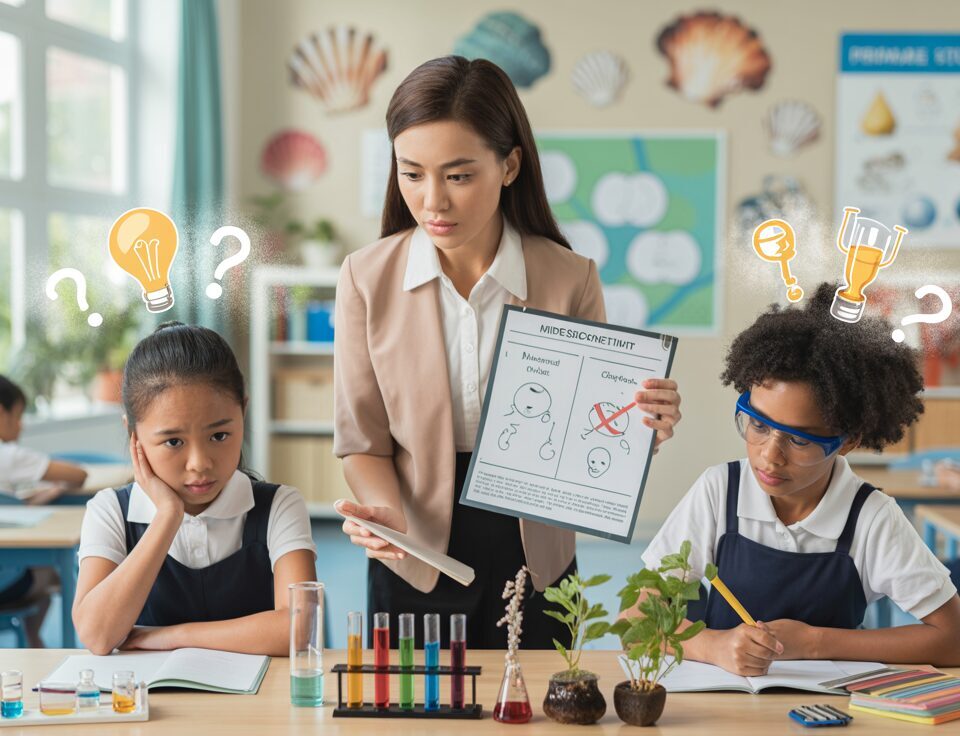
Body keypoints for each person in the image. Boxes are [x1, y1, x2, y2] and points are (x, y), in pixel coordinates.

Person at [334, 55, 682, 648]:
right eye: (412, 173)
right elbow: (363, 442)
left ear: (510, 164)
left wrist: (640, 423)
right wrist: (388, 516)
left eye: (459, 175)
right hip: (414, 545)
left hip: (536, 549)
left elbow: (592, 433)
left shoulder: (570, 278)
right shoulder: (365, 278)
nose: (432, 201)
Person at [629, 282, 960, 675]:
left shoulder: (871, 518)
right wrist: (714, 646)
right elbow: (635, 618)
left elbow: (953, 638)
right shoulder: (720, 491)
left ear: (847, 441)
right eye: (757, 425)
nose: (770, 455)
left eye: (799, 439)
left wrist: (816, 643)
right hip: (723, 708)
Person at [72, 323, 316, 656]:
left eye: (219, 436)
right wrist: (167, 517)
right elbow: (97, 635)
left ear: (242, 411)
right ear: (133, 432)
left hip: (255, 706)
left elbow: (299, 627)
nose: (200, 463)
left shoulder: (278, 505)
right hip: (150, 705)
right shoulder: (109, 510)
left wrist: (174, 636)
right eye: (173, 441)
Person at [0, 375, 87, 646]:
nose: (21, 424)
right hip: (6, 584)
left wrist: (37, 498)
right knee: (54, 570)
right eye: (18, 415)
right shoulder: (9, 455)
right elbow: (77, 475)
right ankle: (36, 639)